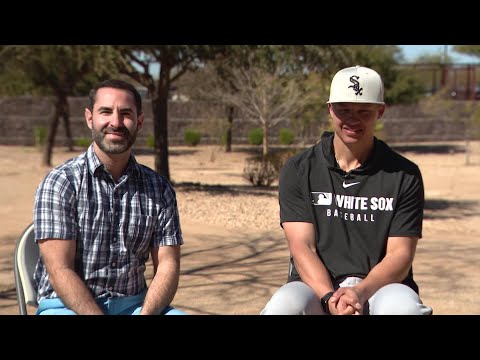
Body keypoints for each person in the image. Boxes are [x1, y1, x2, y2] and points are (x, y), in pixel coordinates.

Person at [261, 66, 433, 315]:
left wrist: (360, 293)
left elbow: (400, 253)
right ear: (330, 109)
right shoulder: (299, 168)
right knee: (282, 307)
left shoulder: (404, 174)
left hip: (381, 287)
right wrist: (329, 297)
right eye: (344, 110)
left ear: (380, 111)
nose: (353, 119)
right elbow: (302, 246)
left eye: (364, 111)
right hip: (314, 286)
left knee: (404, 309)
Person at [33, 79, 186, 315]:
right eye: (106, 112)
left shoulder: (159, 189)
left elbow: (168, 264)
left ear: (140, 121)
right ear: (90, 118)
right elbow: (59, 270)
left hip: (135, 306)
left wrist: (147, 313)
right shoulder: (61, 183)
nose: (115, 122)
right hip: (68, 307)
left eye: (126, 113)